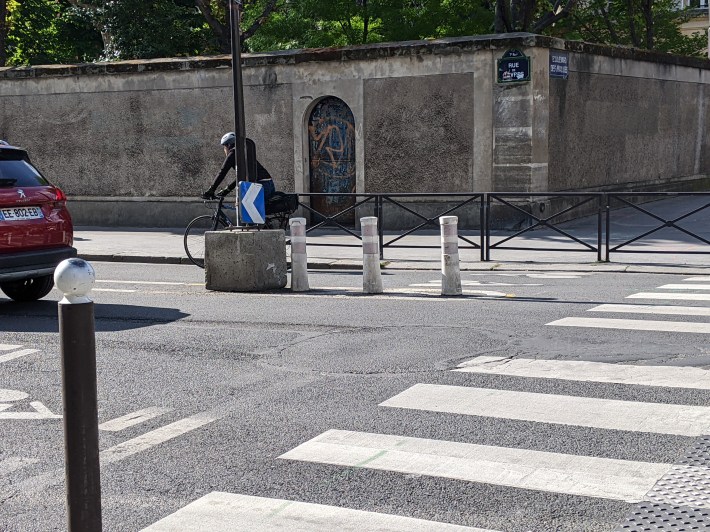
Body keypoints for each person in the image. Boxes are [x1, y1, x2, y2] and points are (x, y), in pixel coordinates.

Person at [201, 132, 275, 200]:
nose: (224, 150)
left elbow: (222, 172)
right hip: (269, 184)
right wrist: (228, 189)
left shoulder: (233, 154)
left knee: (246, 208)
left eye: (224, 147)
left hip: (260, 185)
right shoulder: (243, 152)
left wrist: (211, 190)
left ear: (228, 145)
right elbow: (242, 175)